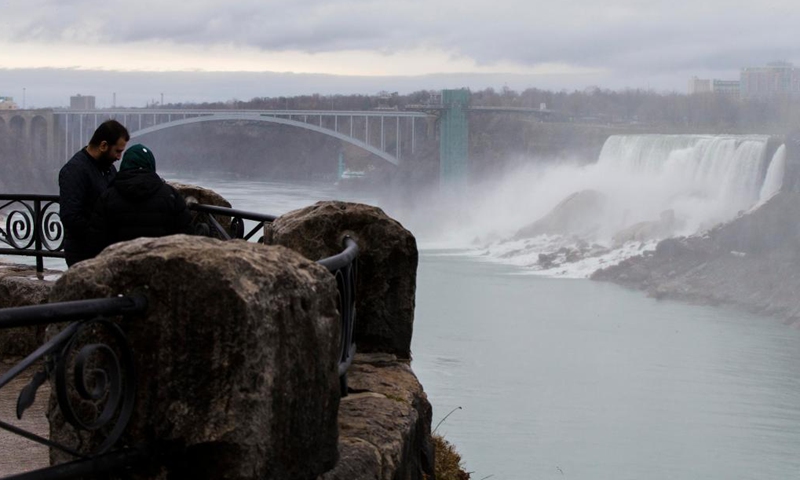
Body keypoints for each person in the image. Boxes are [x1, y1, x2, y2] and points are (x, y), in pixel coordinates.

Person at [88, 143, 192, 257]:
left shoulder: (107, 197)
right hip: (160, 267)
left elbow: (96, 240)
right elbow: (186, 238)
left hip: (118, 268)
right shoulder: (171, 196)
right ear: (151, 165)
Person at [59, 119, 129, 266]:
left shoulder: (108, 168)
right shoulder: (74, 170)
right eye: (117, 151)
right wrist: (101, 232)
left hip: (102, 250)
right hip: (83, 254)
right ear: (103, 145)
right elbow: (70, 216)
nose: (119, 157)